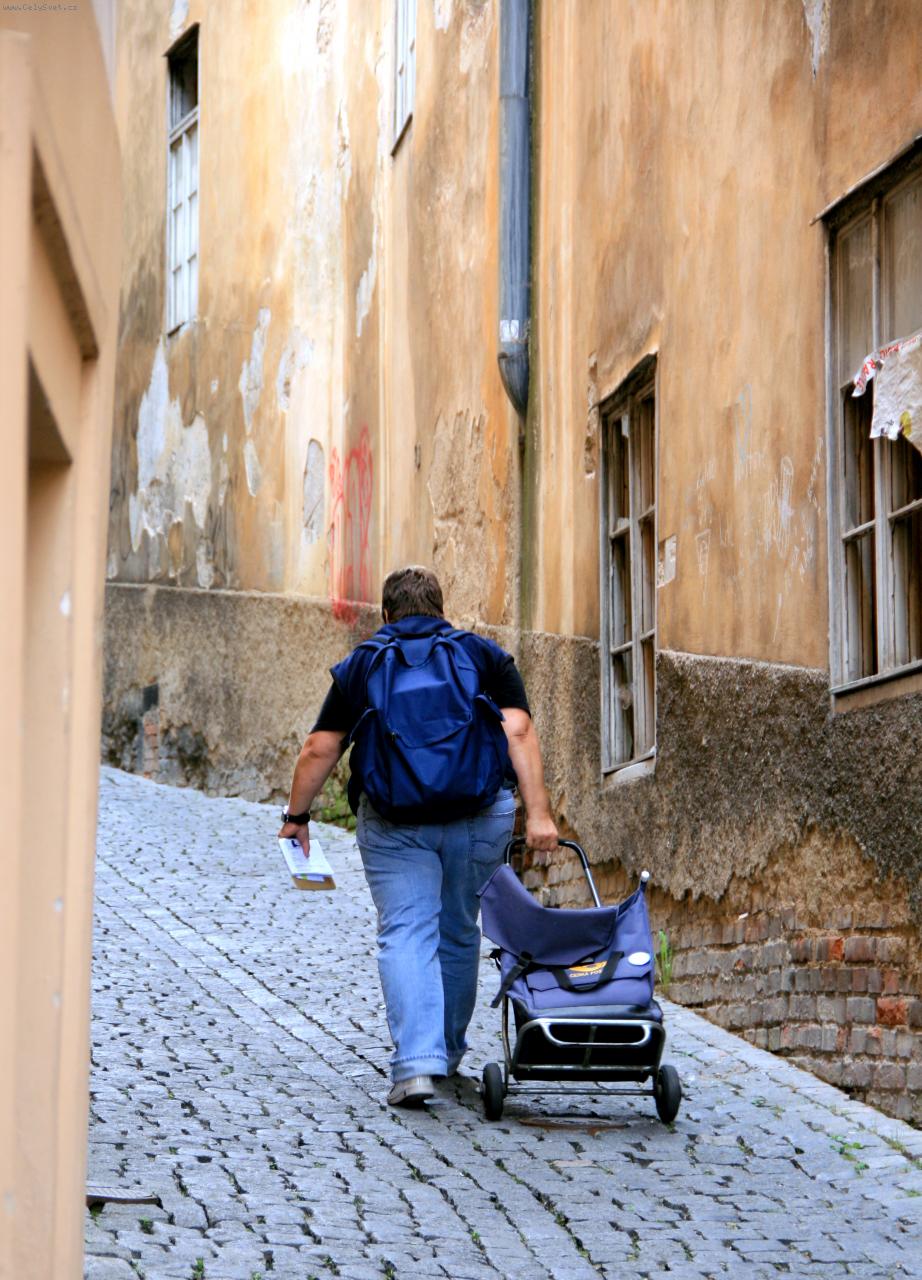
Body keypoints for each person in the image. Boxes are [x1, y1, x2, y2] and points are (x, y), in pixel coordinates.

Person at [278, 565, 558, 1106]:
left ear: (386, 614)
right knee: (459, 929)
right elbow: (519, 730)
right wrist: (540, 815)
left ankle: (417, 1066)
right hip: (479, 817)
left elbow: (320, 748)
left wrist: (298, 816)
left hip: (395, 823)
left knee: (407, 931)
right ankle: (447, 1057)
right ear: (441, 610)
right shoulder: (483, 656)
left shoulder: (364, 662)